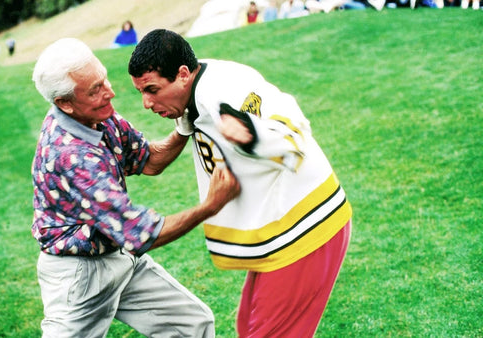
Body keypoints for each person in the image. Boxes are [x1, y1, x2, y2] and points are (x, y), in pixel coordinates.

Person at [128, 29, 352, 337]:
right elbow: (157, 158)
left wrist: (252, 134)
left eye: (152, 89)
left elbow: (293, 128)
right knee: (247, 328)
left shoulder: (225, 88)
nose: (146, 103)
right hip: (282, 232)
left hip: (305, 229)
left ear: (182, 75)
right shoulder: (193, 93)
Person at [30, 37, 240, 337]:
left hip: (117, 258)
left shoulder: (97, 117)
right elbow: (142, 235)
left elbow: (150, 160)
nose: (109, 93)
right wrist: (210, 206)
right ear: (65, 103)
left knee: (193, 324)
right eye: (95, 90)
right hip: (79, 276)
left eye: (104, 81)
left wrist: (183, 125)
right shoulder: (72, 156)